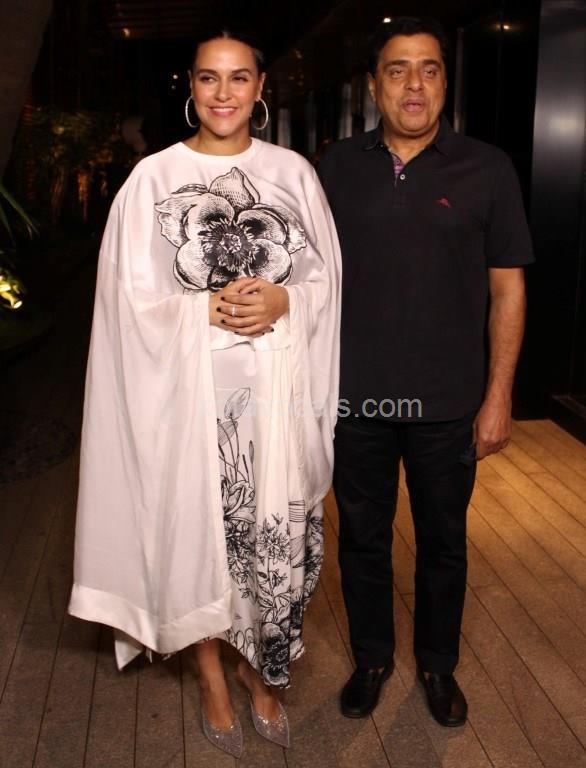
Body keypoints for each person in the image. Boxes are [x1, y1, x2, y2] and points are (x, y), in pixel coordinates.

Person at [69, 30, 340, 756]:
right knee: (202, 542)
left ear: (261, 88)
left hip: (275, 408)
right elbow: (123, 303)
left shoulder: (293, 175)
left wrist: (286, 301)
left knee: (263, 544)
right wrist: (200, 310)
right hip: (185, 406)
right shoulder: (152, 181)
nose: (224, 93)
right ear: (190, 87)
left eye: (239, 78)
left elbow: (328, 284)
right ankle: (214, 677)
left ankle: (259, 670)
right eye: (209, 78)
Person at [318, 16, 533, 727]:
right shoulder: (334, 169)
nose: (415, 84)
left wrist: (498, 396)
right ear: (373, 85)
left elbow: (508, 291)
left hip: (448, 404)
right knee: (363, 539)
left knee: (444, 543)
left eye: (430, 69)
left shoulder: (488, 169)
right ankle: (372, 659)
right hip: (356, 401)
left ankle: (438, 666)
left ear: (445, 82)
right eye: (398, 69)